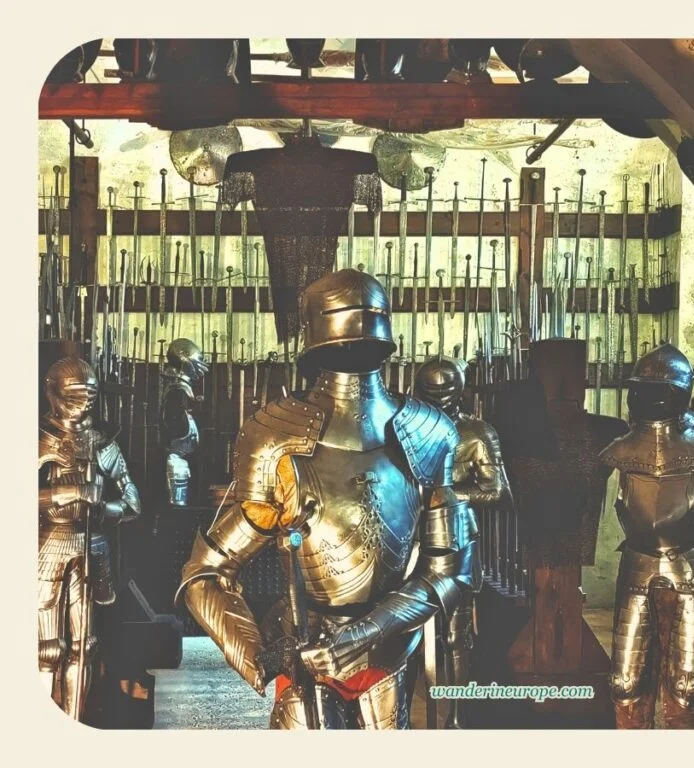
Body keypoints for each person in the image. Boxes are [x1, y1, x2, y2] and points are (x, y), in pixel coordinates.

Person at [177, 269, 476, 729]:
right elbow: (207, 573)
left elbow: (450, 571)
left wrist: (367, 631)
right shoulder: (276, 439)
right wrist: (260, 657)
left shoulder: (428, 433)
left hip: (388, 649)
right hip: (306, 652)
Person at [599, 344, 694, 729]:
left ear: (681, 393)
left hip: (693, 566)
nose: (652, 399)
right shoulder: (620, 451)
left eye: (662, 391)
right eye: (645, 390)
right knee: (624, 684)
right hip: (637, 566)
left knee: (687, 686)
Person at [39, 356, 141, 718]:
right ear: (53, 393)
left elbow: (133, 500)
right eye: (74, 395)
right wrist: (67, 494)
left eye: (89, 396)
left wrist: (105, 509)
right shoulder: (37, 439)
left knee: (85, 645)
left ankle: (73, 720)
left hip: (92, 545)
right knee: (48, 648)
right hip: (48, 545)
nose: (83, 404)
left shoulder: (102, 444)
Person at [414, 356, 509, 728]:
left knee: (456, 637)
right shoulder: (403, 426)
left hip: (457, 537)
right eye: (430, 391)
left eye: (444, 391)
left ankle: (457, 717)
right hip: (409, 537)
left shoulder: (477, 434)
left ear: (461, 391)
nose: (437, 399)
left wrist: (446, 495)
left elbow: (497, 492)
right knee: (403, 633)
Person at [160, 338, 208, 506]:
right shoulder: (176, 392)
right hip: (177, 464)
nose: (202, 364)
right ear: (184, 358)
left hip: (187, 461)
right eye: (198, 358)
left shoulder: (181, 391)